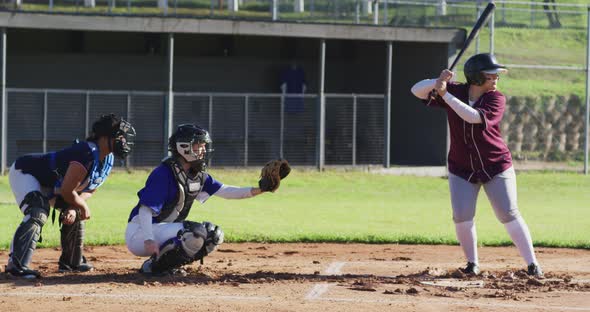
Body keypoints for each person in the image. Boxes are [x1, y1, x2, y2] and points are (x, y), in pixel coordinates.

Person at [410, 53, 543, 277]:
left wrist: (446, 95)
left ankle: (533, 264)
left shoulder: (495, 98)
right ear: (476, 77)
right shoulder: (456, 90)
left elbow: (473, 117)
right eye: (490, 75)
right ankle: (472, 264)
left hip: (495, 165)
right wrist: (438, 81)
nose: (495, 79)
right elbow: (416, 90)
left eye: (496, 75)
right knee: (461, 214)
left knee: (507, 213)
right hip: (461, 166)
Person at [125, 124, 281, 276]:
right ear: (183, 147)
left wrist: (261, 189)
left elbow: (226, 191)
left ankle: (168, 265)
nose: (203, 150)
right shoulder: (163, 173)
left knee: (214, 235)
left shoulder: (196, 174)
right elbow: (145, 210)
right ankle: (153, 267)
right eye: (199, 145)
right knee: (194, 233)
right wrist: (149, 239)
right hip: (140, 234)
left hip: (161, 230)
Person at [6, 113, 136, 279]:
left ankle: (71, 262)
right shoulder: (86, 153)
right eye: (119, 136)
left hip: (53, 185)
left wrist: (75, 207)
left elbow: (90, 189)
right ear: (104, 138)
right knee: (38, 211)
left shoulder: (107, 158)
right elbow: (67, 191)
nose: (123, 141)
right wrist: (81, 205)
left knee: (74, 212)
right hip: (26, 172)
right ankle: (16, 265)